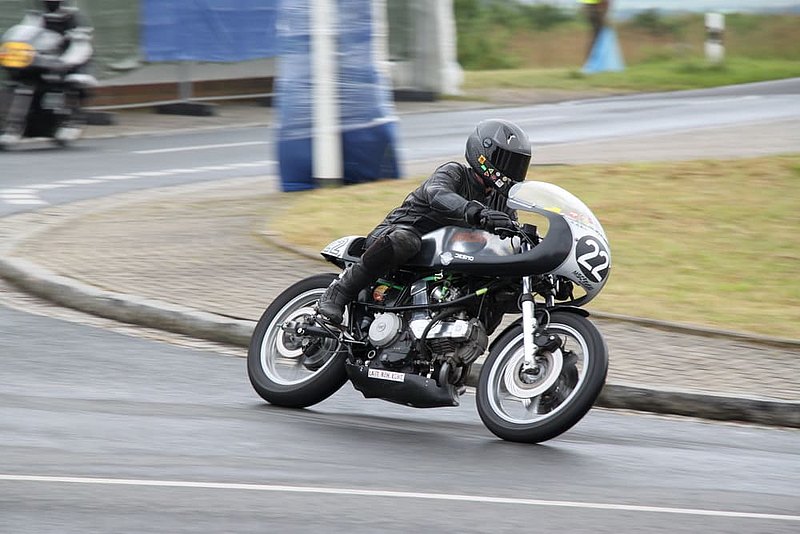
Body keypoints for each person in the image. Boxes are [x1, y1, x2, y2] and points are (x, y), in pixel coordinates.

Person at [316, 119, 533, 325]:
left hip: (441, 260)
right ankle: (337, 292)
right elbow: (436, 193)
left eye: (518, 164)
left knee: (499, 281)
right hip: (397, 235)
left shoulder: (501, 201)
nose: (512, 169)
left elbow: (508, 235)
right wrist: (476, 212)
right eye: (507, 161)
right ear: (483, 154)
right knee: (406, 241)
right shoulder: (455, 172)